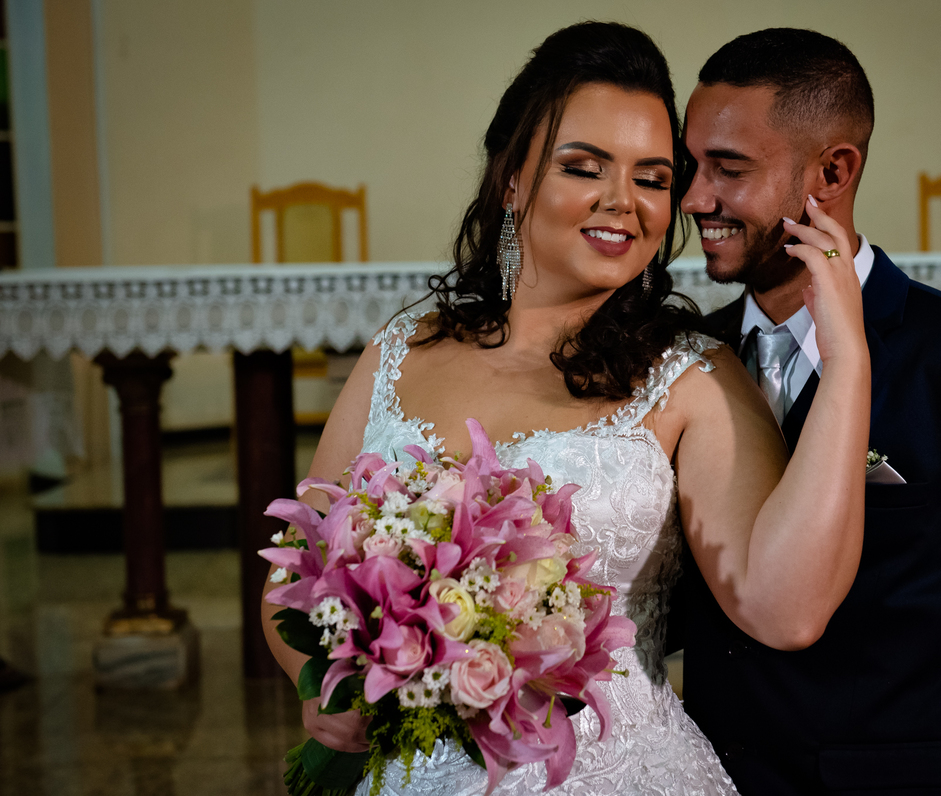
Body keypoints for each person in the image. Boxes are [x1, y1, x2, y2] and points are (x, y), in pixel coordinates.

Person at [262, 22, 873, 796]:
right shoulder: (401, 350)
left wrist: (847, 361)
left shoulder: (695, 377)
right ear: (511, 179)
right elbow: (296, 575)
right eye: (584, 167)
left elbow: (786, 612)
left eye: (653, 179)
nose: (622, 202)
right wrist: (325, 686)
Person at [673, 28, 941, 796]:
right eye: (691, 165)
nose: (695, 199)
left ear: (833, 172)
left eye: (728, 169)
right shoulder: (687, 360)